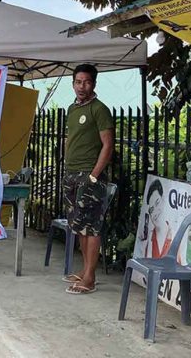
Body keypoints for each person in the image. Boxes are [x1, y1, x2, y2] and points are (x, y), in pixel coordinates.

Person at [62, 64, 114, 295]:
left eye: (86, 82)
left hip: (90, 175)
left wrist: (94, 175)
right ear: (73, 83)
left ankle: (90, 278)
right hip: (72, 174)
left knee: (91, 227)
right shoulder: (72, 109)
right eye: (78, 82)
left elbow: (108, 145)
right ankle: (84, 271)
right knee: (79, 226)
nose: (82, 87)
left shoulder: (99, 109)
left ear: (94, 83)